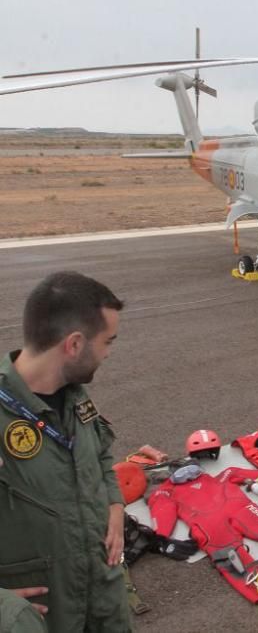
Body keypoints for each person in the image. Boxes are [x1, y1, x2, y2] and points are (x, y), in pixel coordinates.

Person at [0, 271, 131, 632]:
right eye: (107, 342)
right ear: (74, 344)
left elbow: (99, 453)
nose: (107, 354)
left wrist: (115, 503)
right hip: (48, 614)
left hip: (102, 601)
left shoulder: (71, 394)